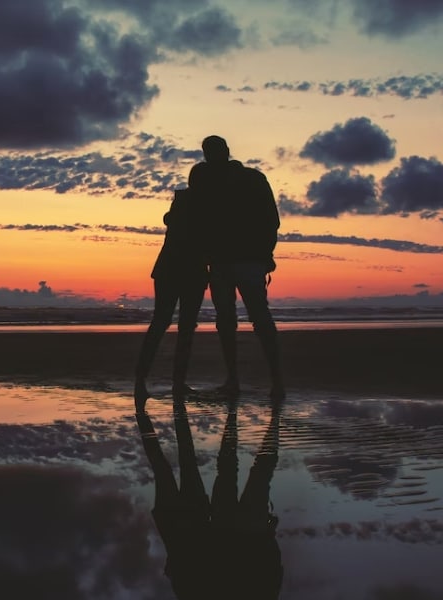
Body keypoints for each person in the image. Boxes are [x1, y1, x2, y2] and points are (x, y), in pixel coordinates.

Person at [135, 397, 283, 600]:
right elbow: (272, 567)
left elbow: (273, 567)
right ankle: (245, 411)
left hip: (231, 529)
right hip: (231, 530)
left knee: (242, 468)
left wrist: (268, 533)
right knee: (231, 467)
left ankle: (256, 414)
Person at [188, 135, 284, 401]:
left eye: (213, 152)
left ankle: (271, 381)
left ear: (226, 152)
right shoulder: (205, 178)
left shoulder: (250, 179)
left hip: (245, 259)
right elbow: (198, 216)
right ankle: (239, 380)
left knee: (255, 319)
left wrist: (266, 254)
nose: (210, 157)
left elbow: (270, 219)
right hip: (223, 261)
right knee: (233, 320)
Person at [134, 188, 208, 411]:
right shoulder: (198, 203)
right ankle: (159, 381)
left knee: (166, 323)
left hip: (176, 270)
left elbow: (172, 219)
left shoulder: (185, 203)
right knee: (173, 324)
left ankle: (157, 381)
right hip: (185, 271)